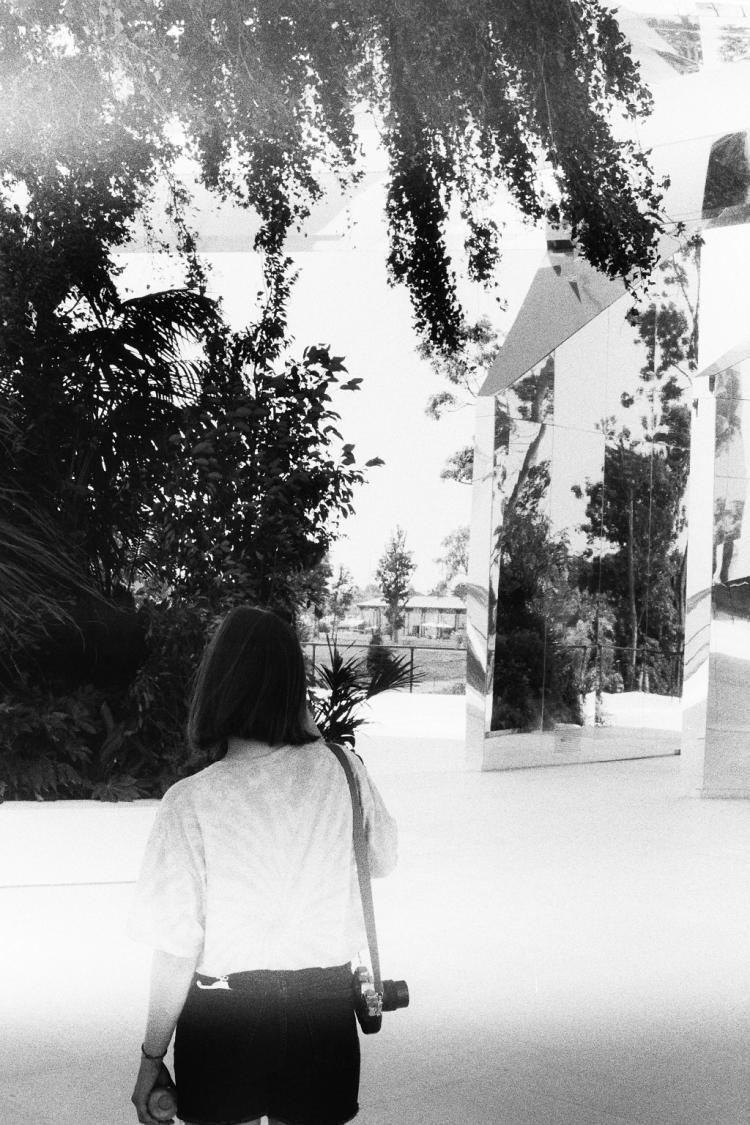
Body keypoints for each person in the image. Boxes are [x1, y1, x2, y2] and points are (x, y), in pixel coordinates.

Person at [128, 606, 398, 1125]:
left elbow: (175, 950)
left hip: (223, 1013)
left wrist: (151, 1058)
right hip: (323, 1008)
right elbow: (382, 861)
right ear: (295, 690)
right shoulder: (345, 773)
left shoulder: (191, 801)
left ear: (217, 686)